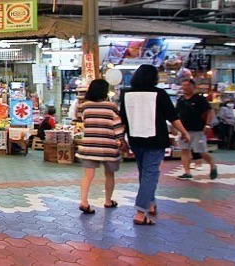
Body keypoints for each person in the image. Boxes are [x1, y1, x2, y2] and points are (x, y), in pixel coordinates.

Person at [120, 64, 190, 225]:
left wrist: (121, 138)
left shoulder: (126, 94)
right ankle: (140, 212)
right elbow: (172, 116)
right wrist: (184, 132)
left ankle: (150, 204)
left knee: (144, 172)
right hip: (155, 139)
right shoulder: (159, 94)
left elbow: (123, 119)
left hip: (135, 138)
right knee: (150, 174)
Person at [76, 79, 125, 214]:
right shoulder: (111, 106)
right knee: (109, 174)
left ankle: (84, 201)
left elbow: (83, 121)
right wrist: (122, 140)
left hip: (89, 145)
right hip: (108, 146)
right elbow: (117, 126)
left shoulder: (85, 106)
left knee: (88, 175)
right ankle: (108, 201)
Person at [176, 78, 218, 180]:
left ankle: (213, 165)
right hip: (183, 130)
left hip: (197, 130)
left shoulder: (200, 99)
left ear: (193, 87)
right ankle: (187, 172)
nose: (185, 88)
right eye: (183, 86)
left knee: (201, 151)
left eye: (187, 85)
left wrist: (207, 125)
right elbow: (176, 115)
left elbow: (209, 112)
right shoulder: (180, 100)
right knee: (184, 150)